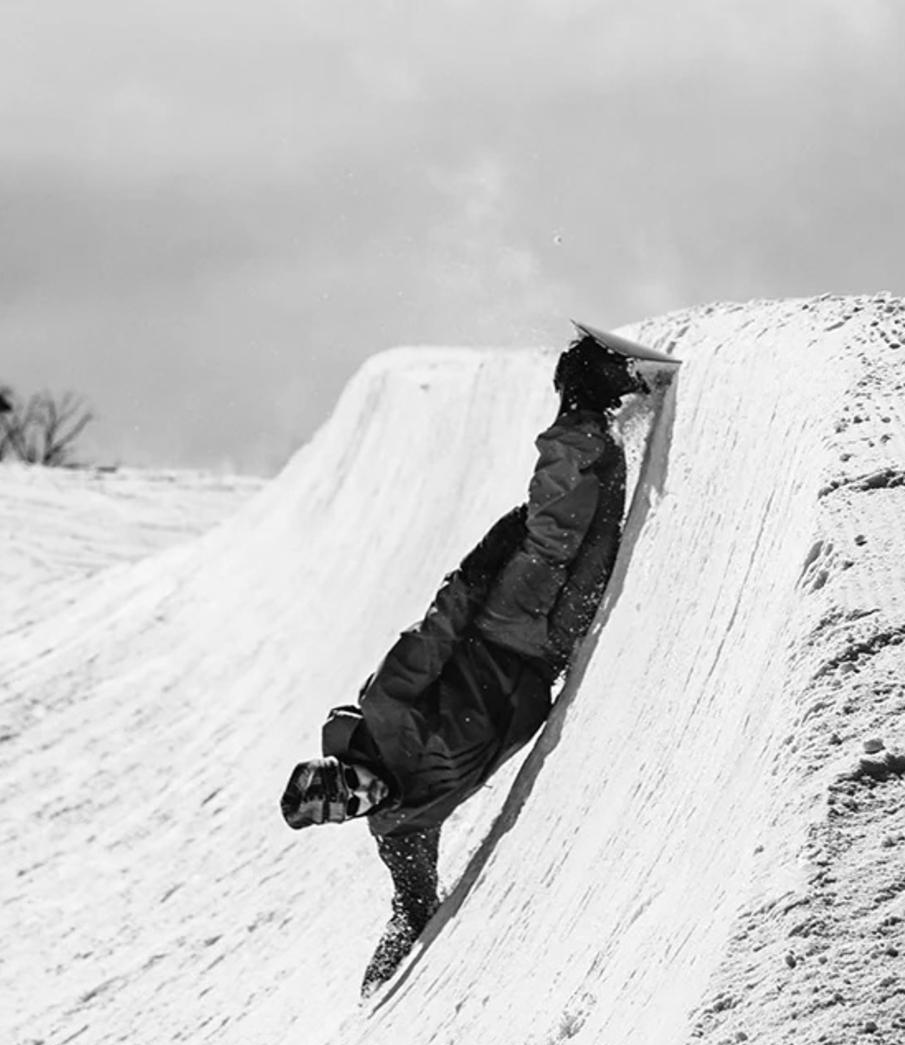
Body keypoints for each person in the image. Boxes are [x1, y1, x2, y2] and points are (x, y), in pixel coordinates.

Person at [281, 322, 677, 995]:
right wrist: (387, 964)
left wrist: (484, 562)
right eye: (348, 808)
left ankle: (585, 382)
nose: (359, 796)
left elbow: (437, 628)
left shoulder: (385, 709)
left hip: (503, 623)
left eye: (345, 786)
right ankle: (601, 416)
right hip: (545, 659)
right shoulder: (401, 826)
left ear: (341, 767)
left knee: (555, 530)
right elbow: (412, 904)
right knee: (602, 526)